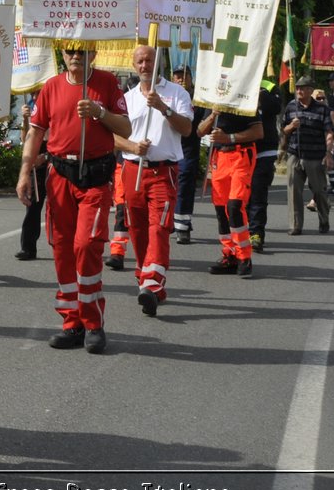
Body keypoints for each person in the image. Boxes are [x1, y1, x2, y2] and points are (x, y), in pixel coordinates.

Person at [17, 47, 131, 354]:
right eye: (70, 51)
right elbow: (36, 133)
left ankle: (94, 322)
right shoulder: (52, 87)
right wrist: (24, 172)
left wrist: (100, 113)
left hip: (95, 175)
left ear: (93, 52)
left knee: (86, 244)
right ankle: (72, 322)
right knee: (62, 248)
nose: (75, 56)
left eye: (81, 51)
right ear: (63, 54)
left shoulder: (107, 83)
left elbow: (126, 127)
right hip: (60, 175)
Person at [112, 45, 194, 316]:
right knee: (137, 228)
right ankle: (148, 281)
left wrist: (163, 108)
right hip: (133, 170)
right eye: (139, 61)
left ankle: (152, 282)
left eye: (149, 60)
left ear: (158, 62)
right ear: (134, 65)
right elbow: (113, 136)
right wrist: (133, 147)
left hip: (163, 172)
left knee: (159, 227)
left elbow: (186, 128)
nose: (144, 66)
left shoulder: (176, 93)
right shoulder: (128, 97)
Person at [198, 105, 263, 277]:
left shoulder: (244, 98)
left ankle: (244, 257)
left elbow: (258, 131)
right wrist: (212, 115)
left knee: (235, 205)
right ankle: (230, 254)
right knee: (221, 209)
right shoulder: (213, 100)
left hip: (241, 155)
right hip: (219, 157)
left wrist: (229, 138)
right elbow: (200, 131)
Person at [281, 77, 334, 234]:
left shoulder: (321, 109)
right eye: (297, 88)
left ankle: (324, 219)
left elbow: (329, 133)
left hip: (315, 156)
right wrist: (291, 126)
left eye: (302, 88)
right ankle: (295, 225)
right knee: (293, 191)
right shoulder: (291, 107)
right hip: (294, 154)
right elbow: (283, 130)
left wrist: (328, 153)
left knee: (319, 190)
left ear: (311, 90)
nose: (299, 91)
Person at [171, 66, 207, 245]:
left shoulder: (199, 99)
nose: (181, 79)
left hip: (188, 148)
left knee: (185, 185)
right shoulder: (168, 96)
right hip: (169, 147)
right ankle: (169, 218)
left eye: (185, 76)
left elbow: (202, 125)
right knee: (166, 185)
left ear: (192, 79)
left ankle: (183, 226)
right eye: (177, 76)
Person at [246, 82, 283, 251]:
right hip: (242, 148)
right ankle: (242, 230)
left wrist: (258, 92)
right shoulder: (239, 80)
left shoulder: (270, 87)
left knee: (258, 194)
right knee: (241, 196)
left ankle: (256, 233)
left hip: (264, 150)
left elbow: (275, 107)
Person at [15, 99, 46, 260]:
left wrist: (47, 157)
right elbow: (25, 137)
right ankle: (27, 247)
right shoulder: (31, 101)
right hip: (36, 153)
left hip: (55, 153)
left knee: (60, 207)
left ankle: (69, 244)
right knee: (33, 204)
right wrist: (25, 118)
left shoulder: (52, 97)